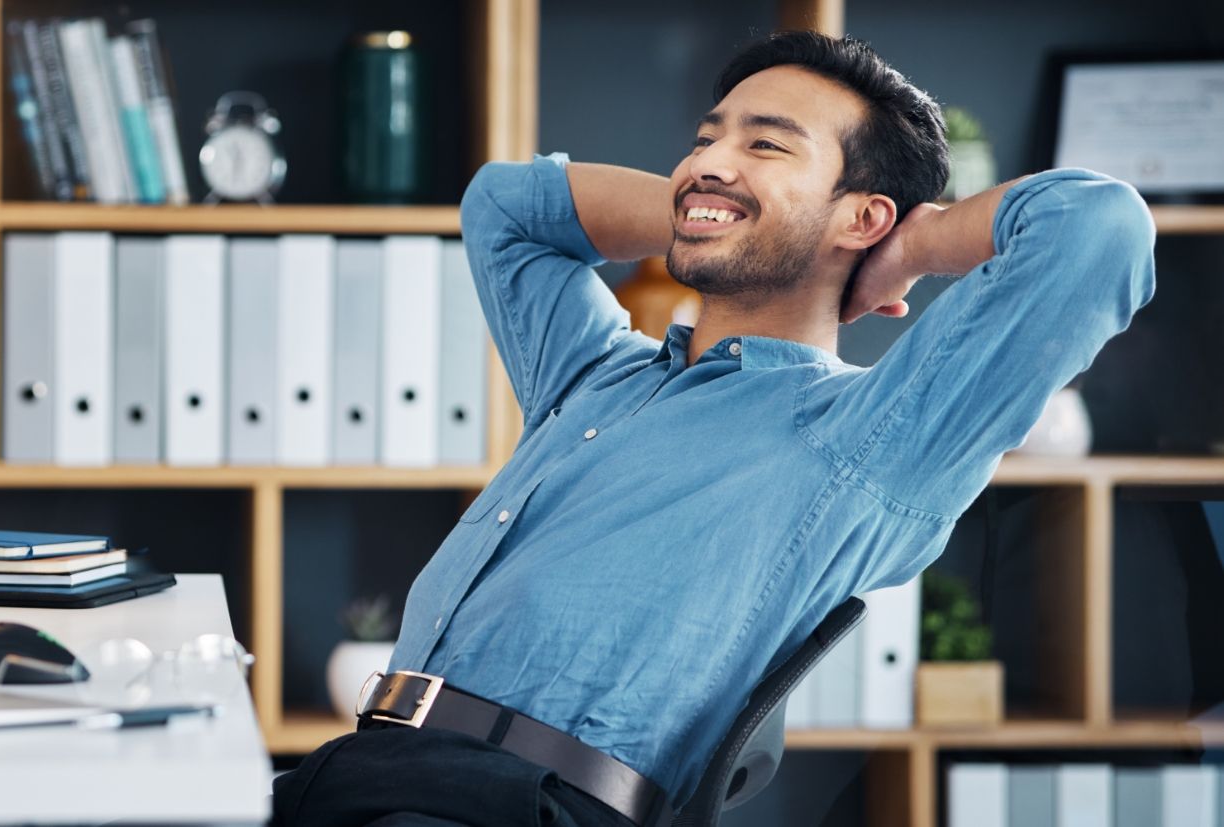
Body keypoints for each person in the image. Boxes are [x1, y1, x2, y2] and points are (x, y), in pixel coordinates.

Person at [273, 30, 1156, 827]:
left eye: (765, 143)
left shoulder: (863, 438)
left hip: (510, 809)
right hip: (361, 771)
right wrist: (713, 207)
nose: (708, 158)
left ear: (864, 215)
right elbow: (504, 208)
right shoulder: (596, 374)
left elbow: (1101, 232)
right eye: (706, 138)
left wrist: (912, 244)